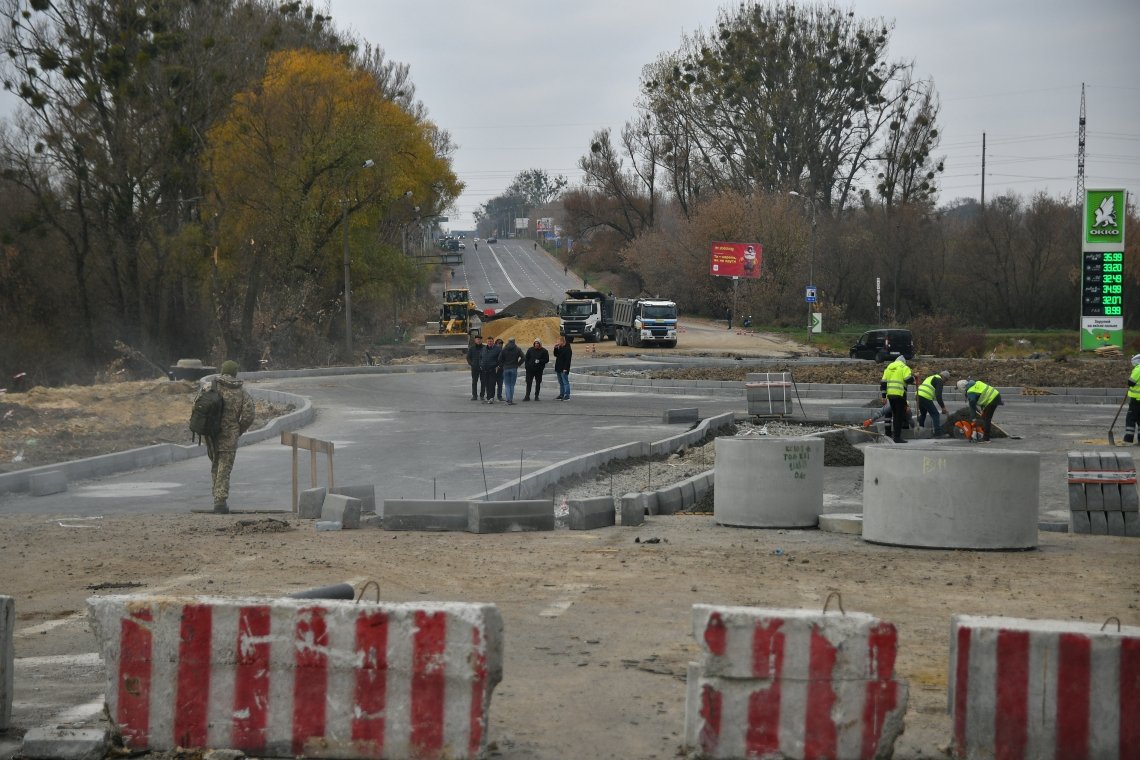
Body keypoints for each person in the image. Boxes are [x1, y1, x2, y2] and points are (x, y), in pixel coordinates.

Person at [202, 360, 255, 513]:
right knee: (224, 468)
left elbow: (198, 405)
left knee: (216, 466)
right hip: (229, 436)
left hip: (211, 434)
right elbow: (249, 415)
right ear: (235, 373)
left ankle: (217, 496)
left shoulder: (211, 386)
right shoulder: (241, 392)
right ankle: (220, 502)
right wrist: (238, 429)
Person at [880, 355, 913, 443]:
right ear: (903, 362)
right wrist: (913, 377)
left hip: (890, 395)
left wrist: (883, 396)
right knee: (899, 416)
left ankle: (895, 436)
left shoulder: (889, 367)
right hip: (900, 394)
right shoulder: (904, 367)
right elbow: (908, 379)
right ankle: (897, 437)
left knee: (895, 414)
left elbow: (883, 382)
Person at [916, 370, 951, 437]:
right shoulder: (939, 380)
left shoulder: (931, 377)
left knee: (923, 414)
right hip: (925, 396)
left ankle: (920, 430)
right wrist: (943, 407)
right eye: (946, 380)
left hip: (918, 395)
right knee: (935, 414)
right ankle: (938, 433)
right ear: (943, 377)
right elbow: (938, 396)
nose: (945, 382)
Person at [500, 337, 524, 405]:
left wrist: (503, 365)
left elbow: (499, 358)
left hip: (506, 369)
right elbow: (523, 357)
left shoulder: (504, 349)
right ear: (514, 341)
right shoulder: (517, 349)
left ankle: (508, 400)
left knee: (507, 385)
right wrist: (518, 364)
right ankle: (510, 400)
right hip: (514, 368)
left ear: (508, 341)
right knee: (512, 385)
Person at [479, 337, 501, 403]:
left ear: (493, 342)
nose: (489, 343)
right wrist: (480, 364)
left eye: (491, 341)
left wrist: (497, 366)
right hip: (484, 369)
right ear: (486, 342)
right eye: (488, 341)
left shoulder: (497, 349)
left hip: (493, 369)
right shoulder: (483, 349)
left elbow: (500, 359)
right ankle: (488, 397)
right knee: (486, 384)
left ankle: (491, 397)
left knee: (492, 384)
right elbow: (480, 357)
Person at [1124, 354, 1140, 443]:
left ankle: (1128, 439)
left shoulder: (1138, 369)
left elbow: (1131, 382)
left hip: (1136, 400)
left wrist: (1129, 383)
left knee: (1131, 418)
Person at [553, 335, 572, 400]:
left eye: (559, 341)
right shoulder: (560, 347)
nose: (557, 342)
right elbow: (556, 355)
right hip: (558, 367)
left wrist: (565, 368)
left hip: (564, 368)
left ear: (563, 341)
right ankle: (561, 394)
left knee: (565, 382)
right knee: (561, 382)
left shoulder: (568, 349)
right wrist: (555, 348)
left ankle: (567, 395)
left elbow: (568, 360)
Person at [466, 334, 483, 401]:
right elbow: (468, 357)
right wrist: (471, 364)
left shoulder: (484, 348)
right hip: (475, 368)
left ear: (481, 340)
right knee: (474, 382)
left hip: (483, 368)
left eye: (480, 339)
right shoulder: (472, 348)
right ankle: (474, 396)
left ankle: (482, 395)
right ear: (475, 340)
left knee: (483, 382)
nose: (478, 341)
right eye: (477, 339)